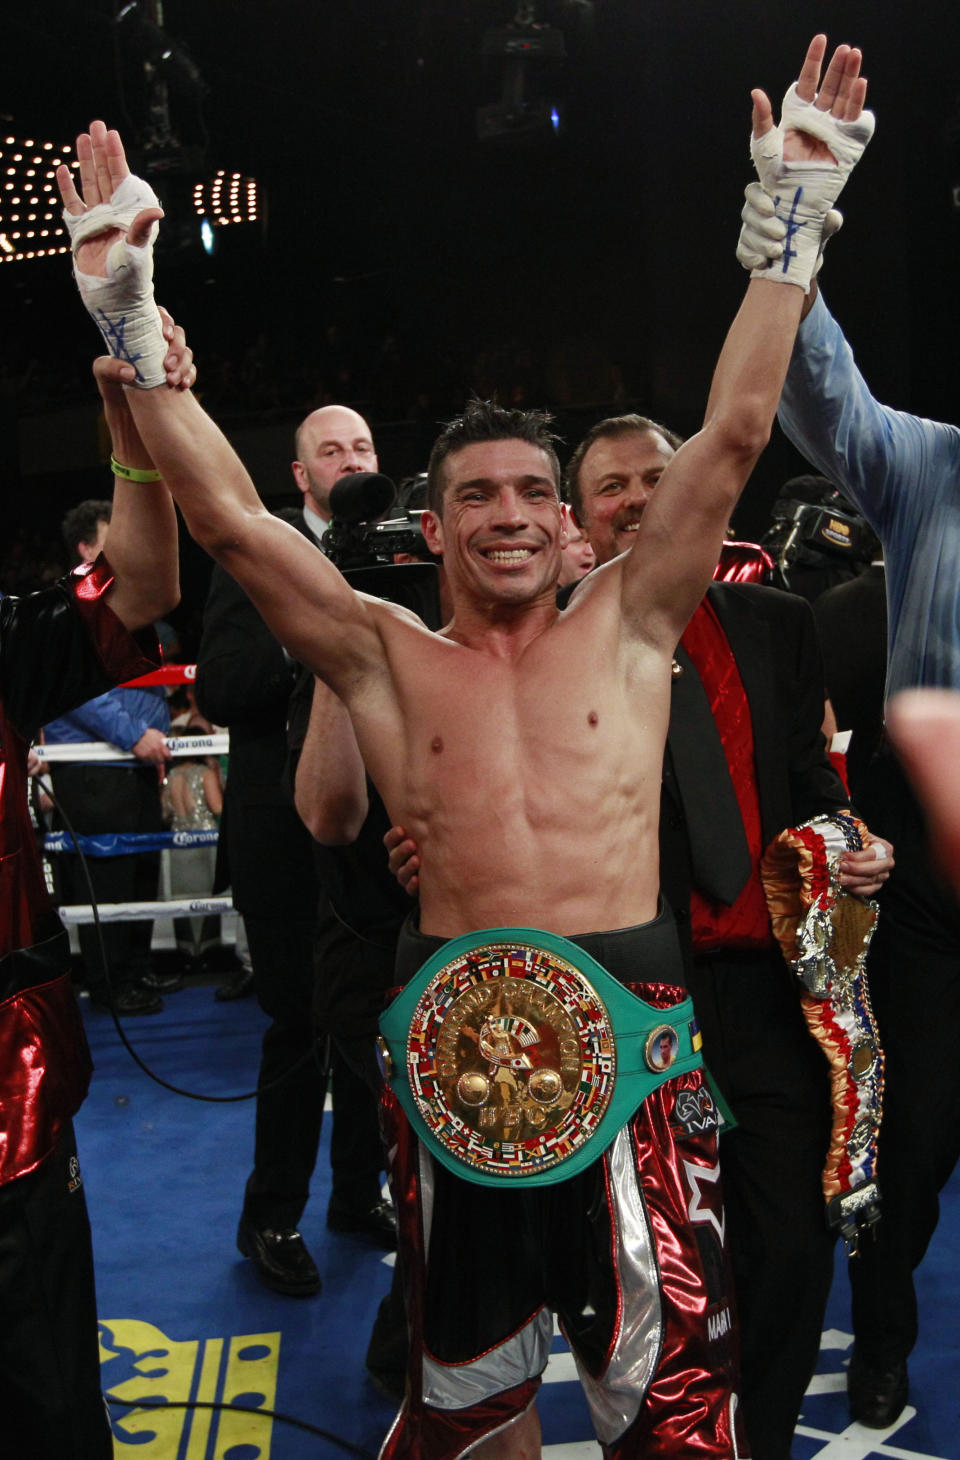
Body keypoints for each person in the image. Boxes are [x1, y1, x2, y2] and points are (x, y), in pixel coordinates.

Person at [58, 41, 871, 1454]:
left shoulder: (631, 624)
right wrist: (130, 317)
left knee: (674, 1412)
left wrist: (789, 222)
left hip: (636, 1056)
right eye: (477, 494)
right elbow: (238, 528)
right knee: (465, 1408)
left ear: (570, 525)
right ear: (431, 529)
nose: (509, 513)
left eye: (533, 494)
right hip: (452, 1059)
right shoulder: (382, 658)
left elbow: (736, 431)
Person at [562, 410, 891, 1459]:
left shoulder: (780, 625)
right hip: (630, 1002)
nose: (640, 497)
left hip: (766, 993)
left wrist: (852, 842)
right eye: (611, 485)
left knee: (791, 1250)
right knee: (655, 1267)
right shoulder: (554, 648)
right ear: (580, 519)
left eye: (661, 473)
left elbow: (810, 787)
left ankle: (764, 1437)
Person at [735, 184, 960, 1426]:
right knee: (909, 1147)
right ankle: (881, 1340)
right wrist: (791, 239)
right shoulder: (933, 471)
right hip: (926, 890)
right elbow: (824, 403)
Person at [0, 322, 187, 1456]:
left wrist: (126, 407)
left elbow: (148, 581)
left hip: (5, 1092)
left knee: (45, 1393)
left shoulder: (3, 644)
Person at [195, 402, 395, 1299]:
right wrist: (319, 639)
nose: (349, 460)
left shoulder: (401, 552)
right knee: (298, 1026)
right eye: (331, 451)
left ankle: (358, 1195)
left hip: (375, 829)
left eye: (361, 446)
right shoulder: (260, 557)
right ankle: (270, 1216)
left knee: (367, 1019)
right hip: (280, 833)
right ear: (302, 477)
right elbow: (227, 687)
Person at [43, 499, 178, 1015]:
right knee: (109, 877)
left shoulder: (125, 603)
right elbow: (77, 690)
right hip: (93, 764)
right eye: (111, 536)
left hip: (138, 760)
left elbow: (150, 687)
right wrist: (135, 735)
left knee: (142, 869)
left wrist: (155, 738)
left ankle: (136, 971)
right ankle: (109, 984)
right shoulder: (67, 606)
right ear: (86, 548)